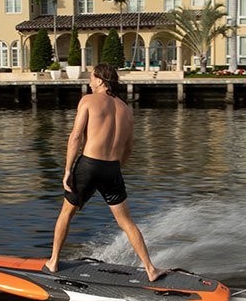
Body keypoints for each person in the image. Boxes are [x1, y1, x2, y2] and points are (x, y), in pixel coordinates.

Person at [45, 63, 165, 282]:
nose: (89, 82)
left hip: (89, 165)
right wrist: (117, 169)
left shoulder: (88, 101)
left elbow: (75, 137)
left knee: (66, 214)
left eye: (91, 78)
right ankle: (150, 269)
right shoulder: (126, 110)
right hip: (112, 169)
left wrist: (67, 170)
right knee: (126, 222)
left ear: (100, 80)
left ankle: (53, 261)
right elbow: (129, 148)